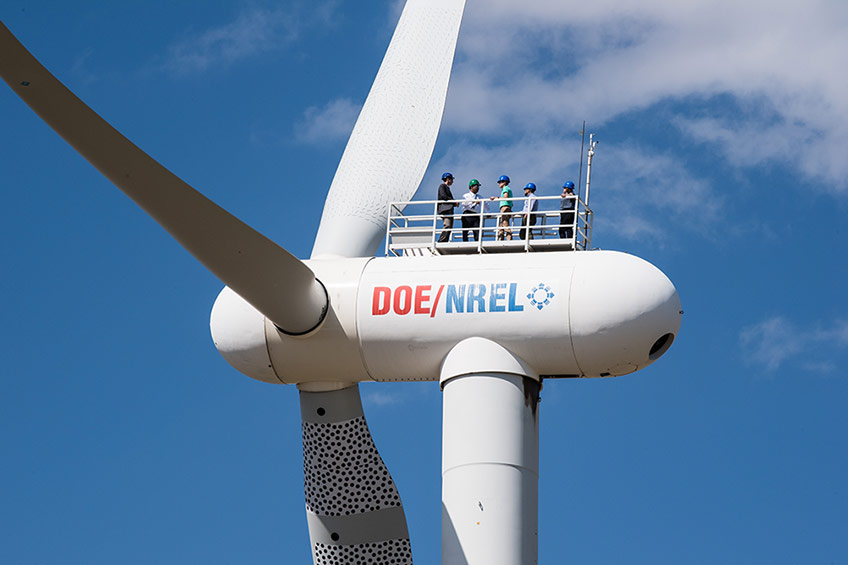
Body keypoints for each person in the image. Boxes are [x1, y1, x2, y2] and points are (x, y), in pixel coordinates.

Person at [489, 175, 513, 240]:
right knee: (501, 226)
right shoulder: (506, 189)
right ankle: (501, 239)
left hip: (505, 208)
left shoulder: (506, 188)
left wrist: (496, 198)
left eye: (500, 182)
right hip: (505, 208)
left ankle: (509, 239)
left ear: (504, 182)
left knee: (505, 224)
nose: (499, 184)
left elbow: (506, 197)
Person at [437, 172, 456, 243]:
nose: (452, 181)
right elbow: (443, 196)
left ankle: (444, 240)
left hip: (448, 209)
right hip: (445, 209)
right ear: (448, 179)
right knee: (447, 225)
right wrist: (453, 202)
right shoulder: (442, 186)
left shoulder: (447, 188)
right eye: (451, 179)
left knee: (450, 226)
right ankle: (441, 241)